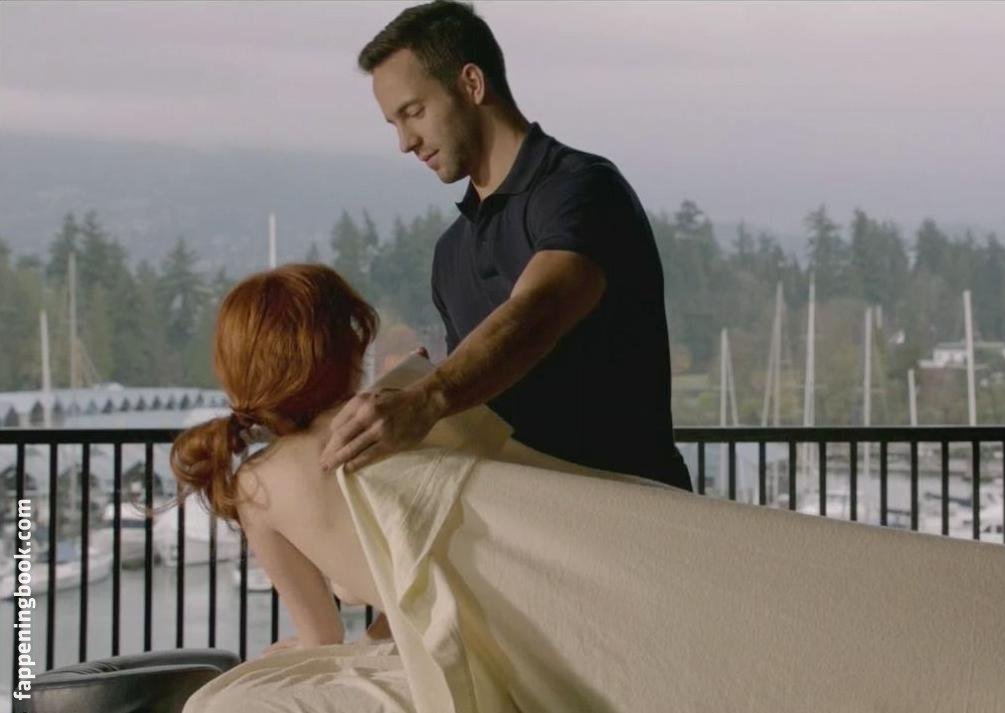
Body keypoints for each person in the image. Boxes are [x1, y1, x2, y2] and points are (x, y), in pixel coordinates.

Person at [319, 0, 692, 493]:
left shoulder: (582, 189)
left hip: (634, 509)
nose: (406, 142)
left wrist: (426, 399)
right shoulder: (450, 254)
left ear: (472, 84)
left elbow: (540, 308)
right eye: (394, 124)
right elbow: (483, 404)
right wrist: (411, 388)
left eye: (414, 112)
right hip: (526, 520)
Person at [168, 264, 395, 655]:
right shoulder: (401, 418)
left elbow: (322, 635)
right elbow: (437, 588)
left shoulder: (258, 482)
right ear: (348, 350)